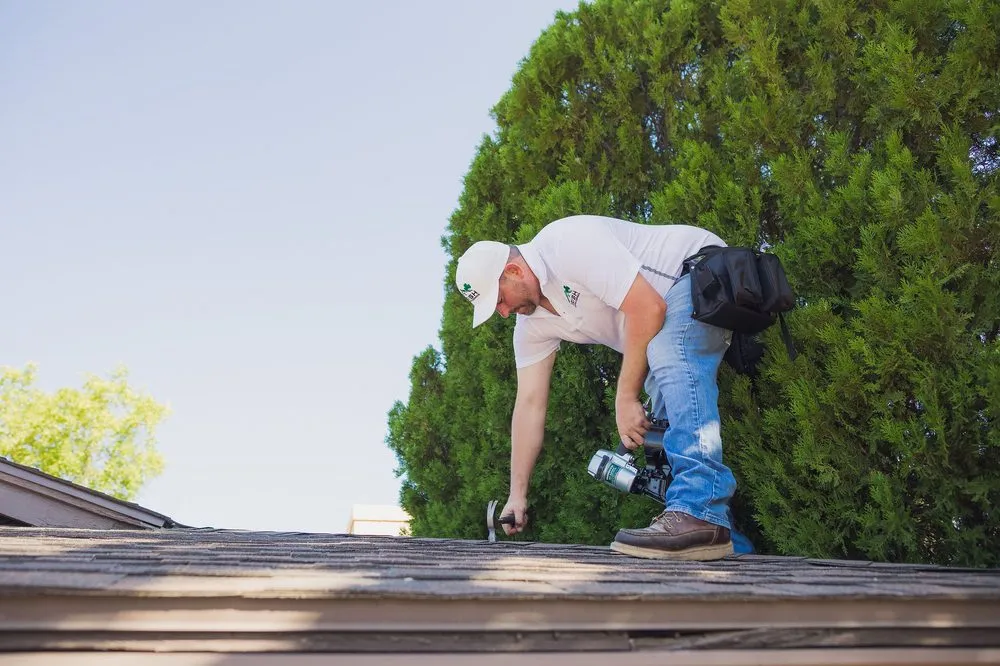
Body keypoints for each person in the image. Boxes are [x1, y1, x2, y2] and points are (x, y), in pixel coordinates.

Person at [454, 214, 754, 560]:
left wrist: (625, 397)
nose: (503, 313)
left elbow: (649, 309)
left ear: (515, 271)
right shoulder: (530, 326)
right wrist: (516, 494)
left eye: (499, 300)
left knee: (669, 352)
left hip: (700, 271)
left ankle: (700, 512)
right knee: (664, 435)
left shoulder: (566, 244)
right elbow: (530, 405)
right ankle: (728, 544)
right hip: (660, 323)